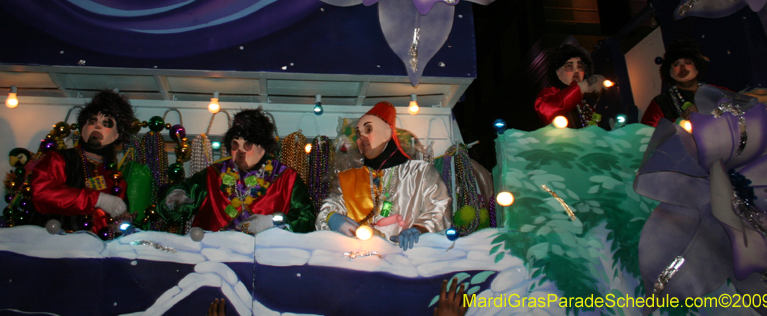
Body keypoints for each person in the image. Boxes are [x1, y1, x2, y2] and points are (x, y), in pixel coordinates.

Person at [316, 101, 451, 250]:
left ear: (387, 133)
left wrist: (420, 229)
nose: (362, 138)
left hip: (406, 257)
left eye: (368, 129)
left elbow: (440, 210)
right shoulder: (347, 179)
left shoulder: (421, 173)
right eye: (359, 134)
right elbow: (327, 211)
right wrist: (331, 217)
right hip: (357, 258)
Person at [159, 108, 314, 234]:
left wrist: (273, 221)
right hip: (213, 257)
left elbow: (306, 219)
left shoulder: (286, 178)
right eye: (235, 144)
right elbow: (182, 198)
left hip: (265, 258)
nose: (241, 151)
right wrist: (176, 195)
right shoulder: (213, 175)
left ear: (263, 146)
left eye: (248, 144)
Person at [29, 90, 135, 234]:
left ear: (117, 135)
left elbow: (115, 225)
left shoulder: (116, 180)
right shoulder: (59, 160)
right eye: (92, 121)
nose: (97, 126)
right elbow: (42, 193)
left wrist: (118, 225)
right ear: (83, 127)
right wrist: (97, 199)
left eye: (106, 123)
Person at [534, 43, 606, 128]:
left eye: (580, 66)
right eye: (569, 66)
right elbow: (547, 110)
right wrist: (582, 87)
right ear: (558, 72)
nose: (576, 71)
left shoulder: (586, 106)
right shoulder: (549, 94)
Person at [641, 38, 707, 127]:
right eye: (676, 64)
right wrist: (680, 121)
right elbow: (647, 132)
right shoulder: (661, 103)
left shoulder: (717, 92)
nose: (682, 67)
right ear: (669, 71)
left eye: (687, 62)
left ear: (697, 66)